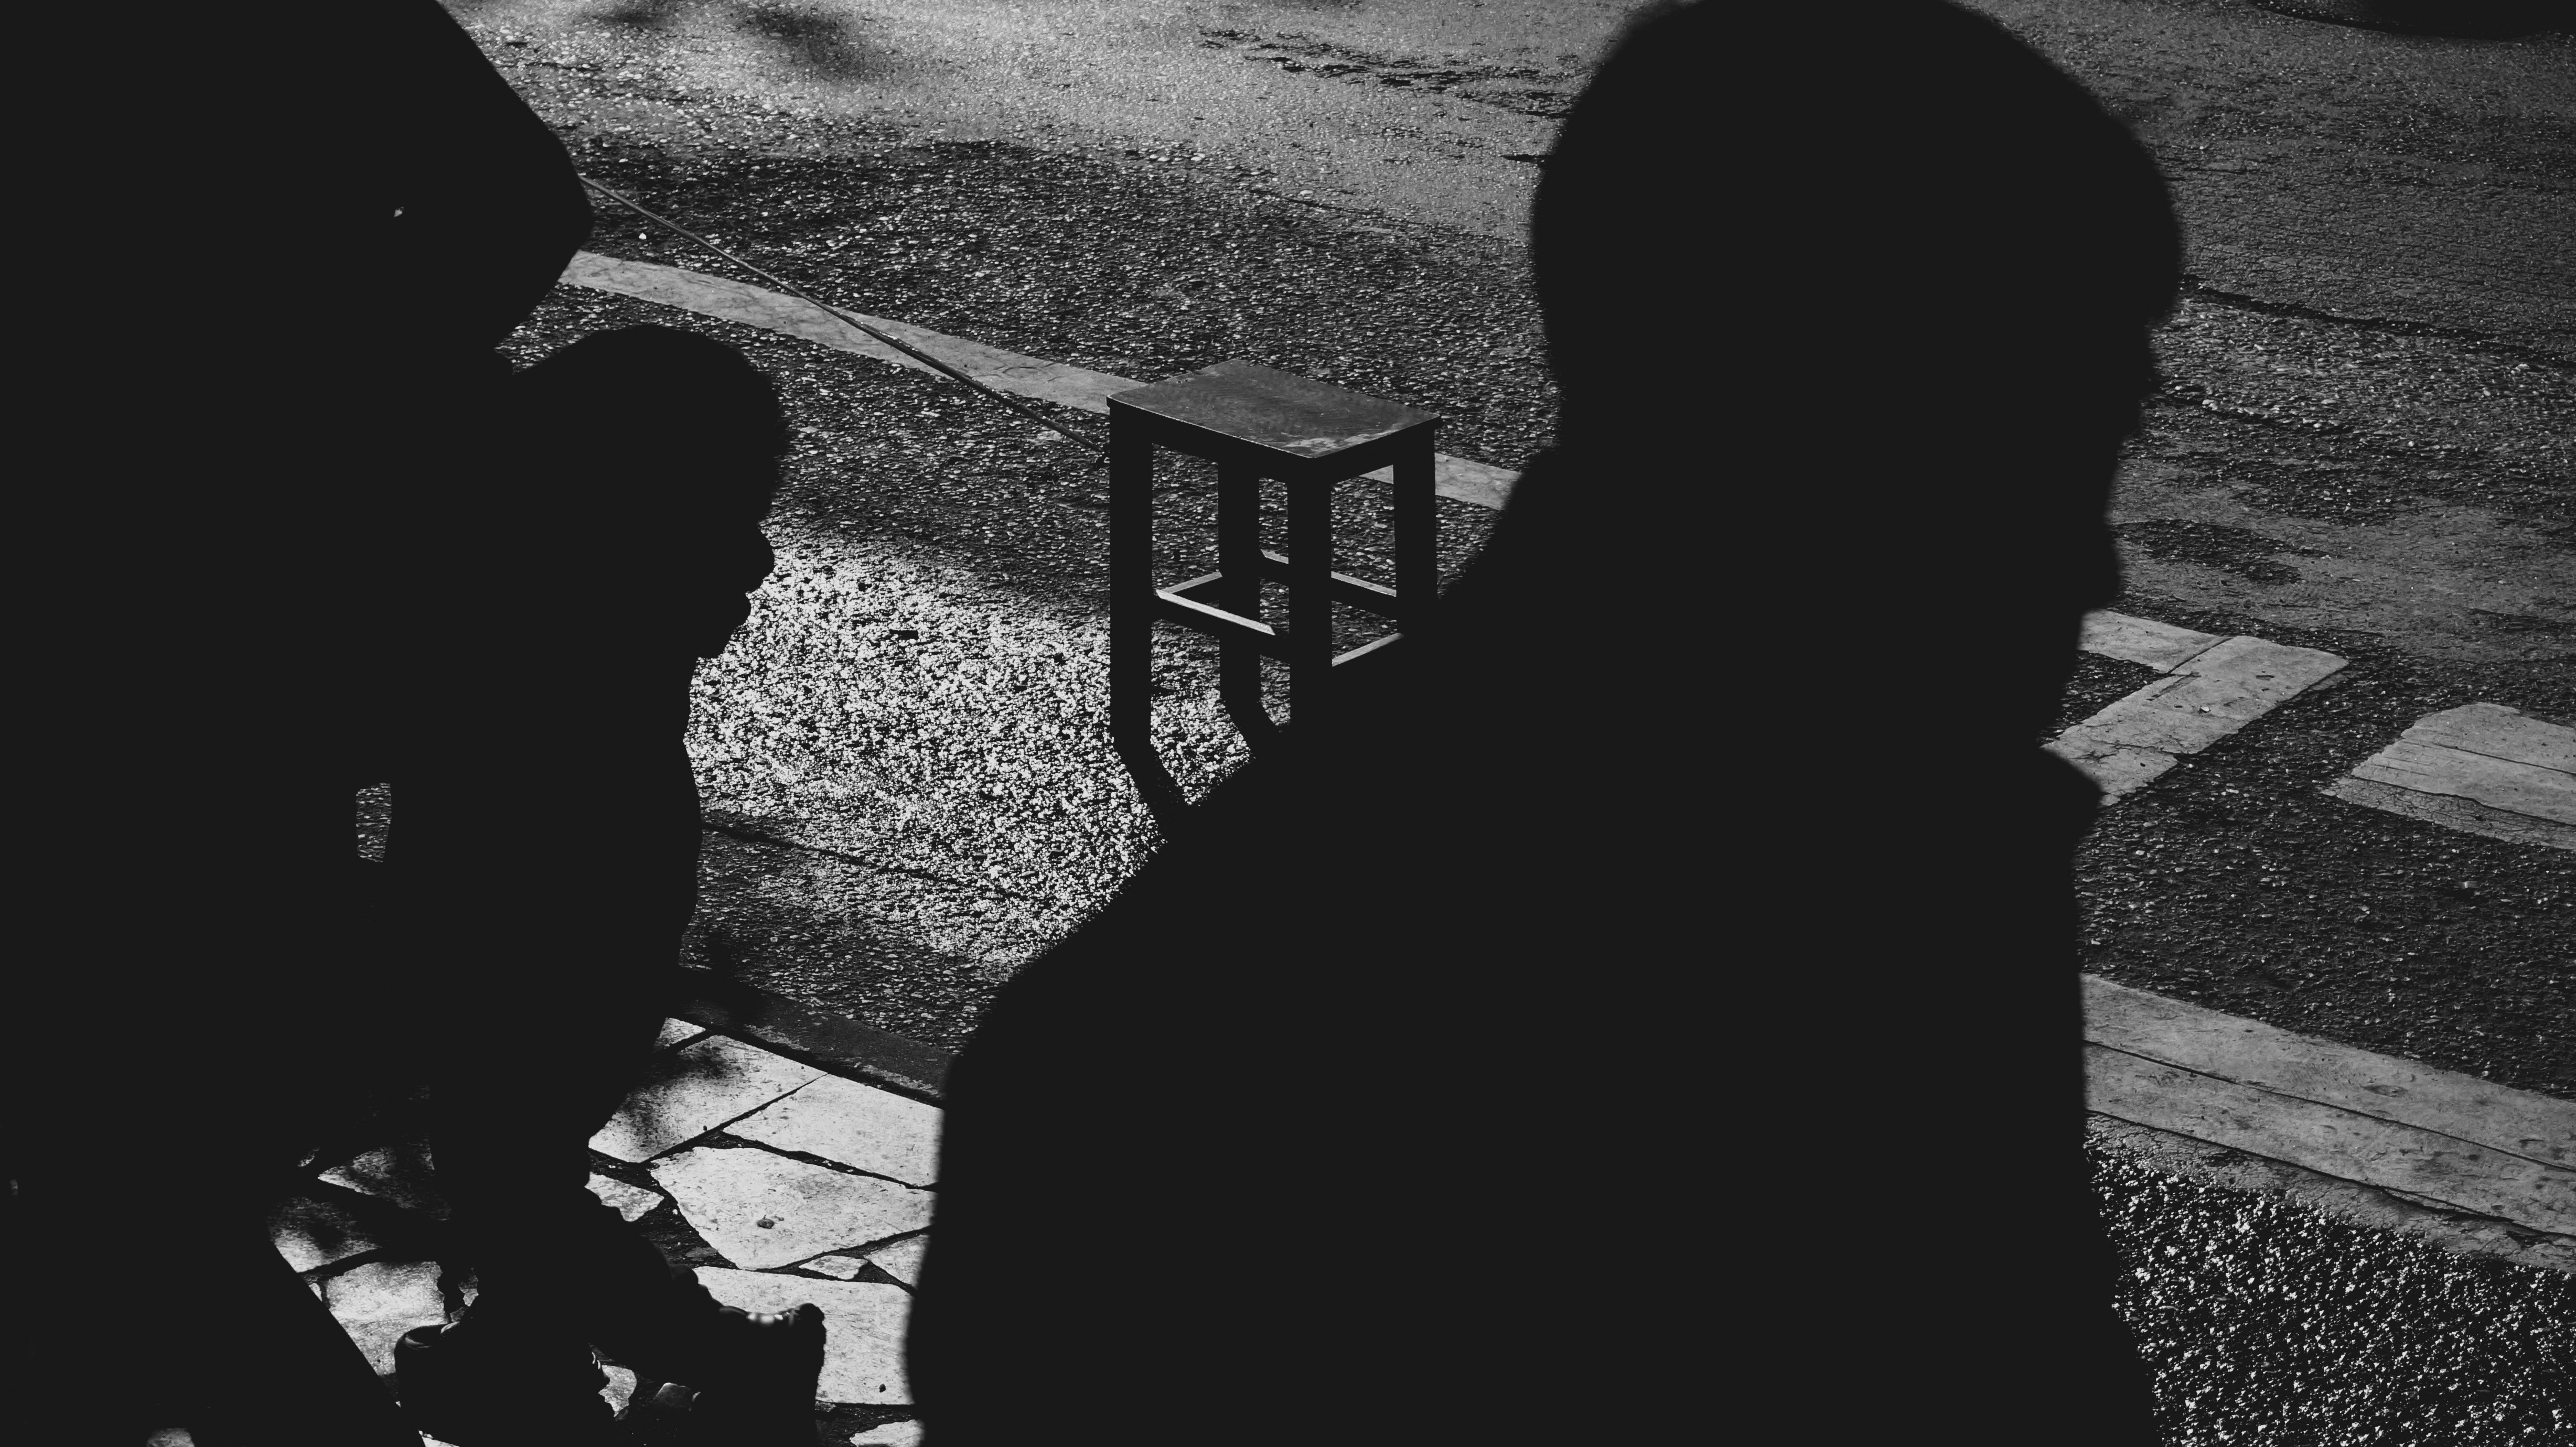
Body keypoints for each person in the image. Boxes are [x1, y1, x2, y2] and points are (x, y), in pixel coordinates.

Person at [909, 3, 2177, 1443]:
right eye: (2028, 450)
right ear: (1815, 446)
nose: (2094, 561)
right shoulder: (1898, 875)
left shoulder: (1922, 859)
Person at [9, 5, 818, 1441]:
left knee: (154, 1196)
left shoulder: (499, 571)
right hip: (430, 851)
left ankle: (642, 1353)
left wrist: (286, 380)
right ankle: (542, 1357)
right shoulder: (535, 564)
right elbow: (516, 204)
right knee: (326, 1174)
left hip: (245, 745)